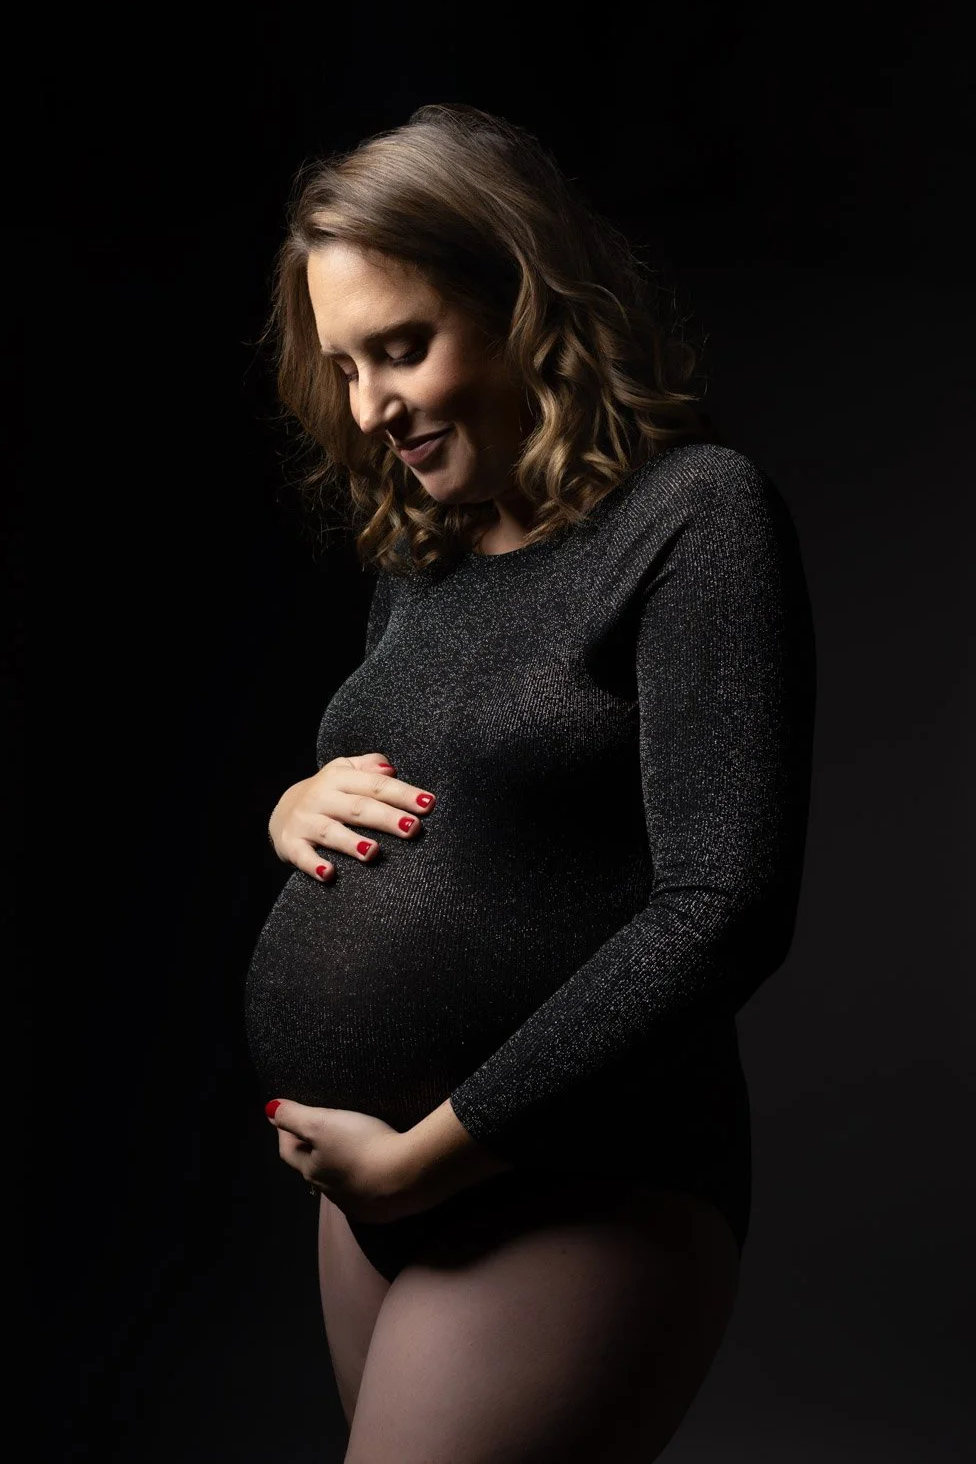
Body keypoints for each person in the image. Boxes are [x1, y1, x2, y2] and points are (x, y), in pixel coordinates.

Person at [245, 103, 816, 1462]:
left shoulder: (695, 515)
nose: (371, 407)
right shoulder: (424, 559)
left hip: (572, 1177)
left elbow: (724, 907)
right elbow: (452, 796)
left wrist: (429, 1154)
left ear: (520, 299)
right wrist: (292, 808)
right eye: (346, 366)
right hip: (369, 1191)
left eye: (403, 348)